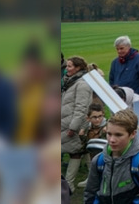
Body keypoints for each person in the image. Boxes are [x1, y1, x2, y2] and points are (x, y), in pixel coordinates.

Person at [83, 109, 139, 204]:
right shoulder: (99, 161)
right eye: (109, 134)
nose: (112, 140)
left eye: (118, 135)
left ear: (133, 134)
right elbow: (90, 194)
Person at [61, 56, 94, 192]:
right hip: (66, 121)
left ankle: (69, 184)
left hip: (74, 124)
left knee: (75, 151)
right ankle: (90, 178)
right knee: (81, 150)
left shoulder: (82, 84)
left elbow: (82, 107)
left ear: (78, 68)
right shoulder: (70, 81)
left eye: (69, 66)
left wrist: (73, 127)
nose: (66, 69)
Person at [75, 104, 107, 189]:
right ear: (88, 118)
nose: (98, 119)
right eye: (94, 117)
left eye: (100, 116)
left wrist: (105, 134)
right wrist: (82, 136)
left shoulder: (108, 127)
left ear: (103, 114)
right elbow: (86, 146)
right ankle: (91, 178)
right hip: (93, 156)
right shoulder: (88, 128)